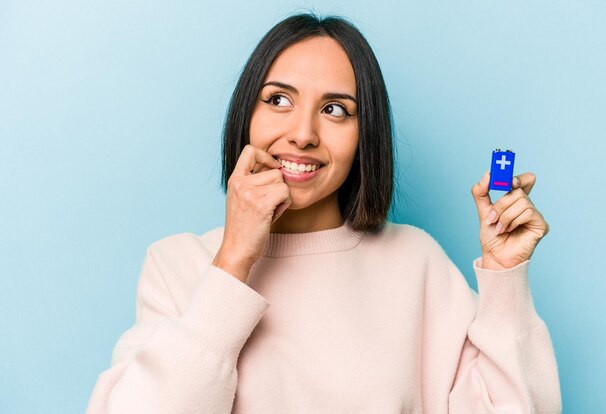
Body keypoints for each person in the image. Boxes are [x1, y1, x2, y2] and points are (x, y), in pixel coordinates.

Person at [86, 13, 562, 414]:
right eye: (278, 100)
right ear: (245, 115)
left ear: (364, 138)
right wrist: (232, 261)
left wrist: (505, 277)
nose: (303, 134)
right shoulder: (177, 265)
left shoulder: (415, 262)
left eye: (335, 109)